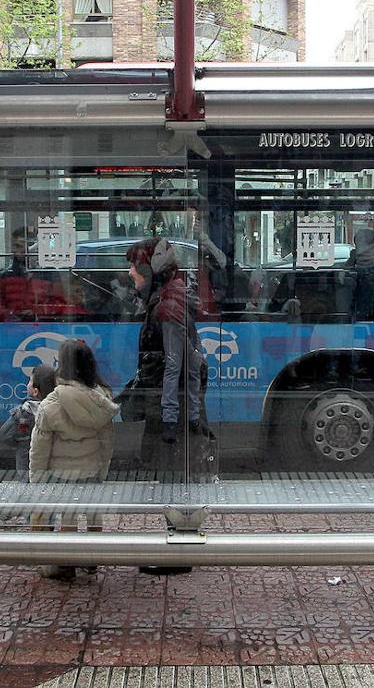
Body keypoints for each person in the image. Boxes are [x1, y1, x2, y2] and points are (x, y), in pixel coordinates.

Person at [125, 237, 213, 576]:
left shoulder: (167, 306)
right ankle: (178, 544)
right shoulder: (170, 297)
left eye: (136, 266)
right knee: (176, 474)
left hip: (171, 406)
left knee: (176, 473)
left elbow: (178, 365)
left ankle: (178, 550)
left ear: (151, 270)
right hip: (172, 403)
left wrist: (173, 418)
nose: (131, 272)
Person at [28, 339, 119, 581]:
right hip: (90, 470)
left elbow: (40, 448)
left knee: (67, 515)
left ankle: (66, 562)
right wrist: (102, 469)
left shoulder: (51, 404)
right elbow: (106, 442)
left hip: (60, 474)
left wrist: (36, 477)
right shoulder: (102, 399)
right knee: (91, 513)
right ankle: (92, 558)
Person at [0, 364, 57, 482]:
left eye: (29, 381)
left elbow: (5, 434)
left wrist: (20, 443)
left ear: (35, 391)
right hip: (54, 465)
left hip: (26, 463)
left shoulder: (24, 412)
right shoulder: (57, 409)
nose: (27, 384)